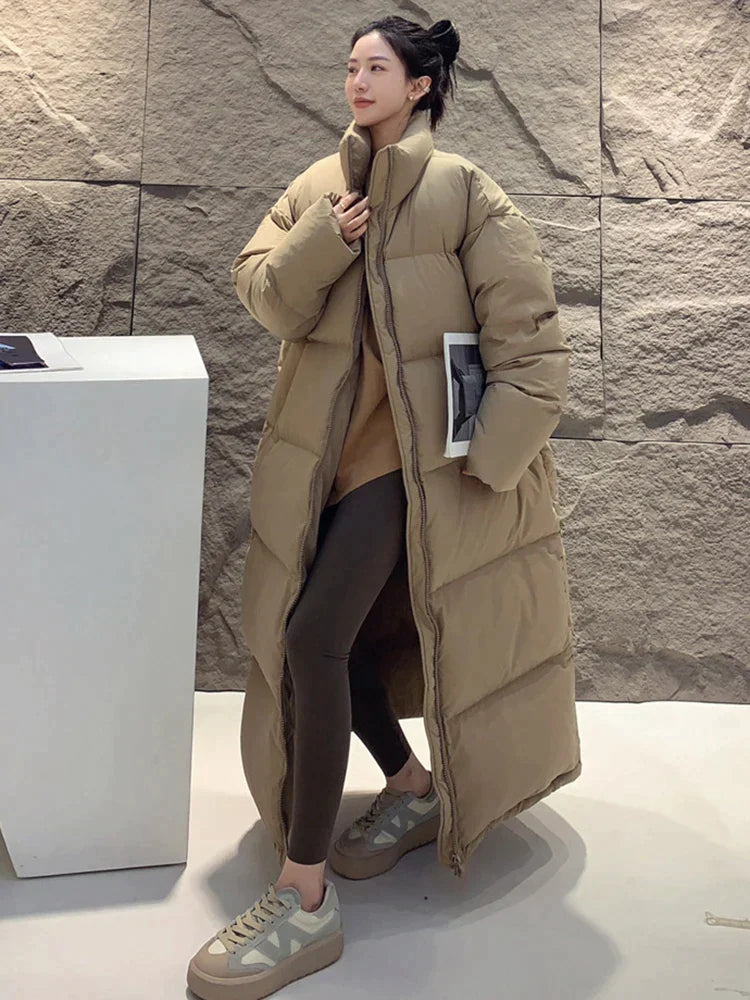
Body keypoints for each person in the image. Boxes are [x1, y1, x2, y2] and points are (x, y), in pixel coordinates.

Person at [188, 13, 580, 1000]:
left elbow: (533, 345)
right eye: (351, 65)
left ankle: (304, 895)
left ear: (421, 86)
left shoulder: (464, 193)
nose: (358, 80)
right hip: (324, 468)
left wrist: (481, 470)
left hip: (411, 474)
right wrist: (327, 238)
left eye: (378, 67)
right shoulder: (321, 187)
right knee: (335, 641)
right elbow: (261, 293)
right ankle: (409, 784)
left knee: (313, 637)